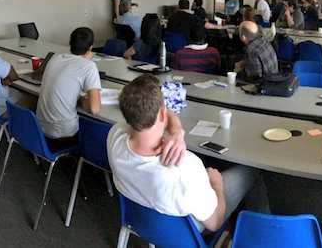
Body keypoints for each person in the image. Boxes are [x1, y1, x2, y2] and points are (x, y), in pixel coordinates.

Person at [107, 75, 270, 235]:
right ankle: (264, 234)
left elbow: (162, 114)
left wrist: (176, 131)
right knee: (251, 170)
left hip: (144, 222)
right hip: (188, 232)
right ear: (162, 114)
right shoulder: (186, 167)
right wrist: (217, 186)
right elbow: (214, 222)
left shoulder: (114, 136)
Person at [36, 27, 101, 150]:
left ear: (70, 44)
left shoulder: (55, 58)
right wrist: (82, 99)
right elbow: (95, 109)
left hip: (39, 130)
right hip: (64, 135)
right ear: (90, 48)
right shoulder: (89, 66)